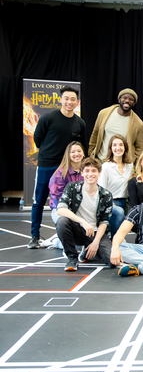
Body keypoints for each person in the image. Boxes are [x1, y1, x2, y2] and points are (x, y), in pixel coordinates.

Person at [29, 86, 87, 249]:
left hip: (68, 168)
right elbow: (37, 139)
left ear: (78, 102)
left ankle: (66, 233)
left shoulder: (79, 123)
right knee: (38, 201)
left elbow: (82, 146)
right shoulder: (48, 118)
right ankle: (34, 236)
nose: (69, 102)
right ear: (60, 100)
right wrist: (49, 155)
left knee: (70, 202)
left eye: (73, 99)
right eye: (66, 98)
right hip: (47, 165)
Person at [56, 157, 112, 271]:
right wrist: (83, 221)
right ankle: (72, 258)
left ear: (99, 173)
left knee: (111, 261)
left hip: (95, 232)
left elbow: (104, 221)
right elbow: (60, 209)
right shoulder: (72, 188)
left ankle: (87, 251)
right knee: (62, 221)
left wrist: (96, 242)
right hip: (77, 229)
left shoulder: (106, 195)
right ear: (82, 173)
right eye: (87, 171)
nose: (90, 174)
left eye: (94, 171)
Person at [41, 141, 84, 249]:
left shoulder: (87, 171)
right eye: (73, 152)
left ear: (83, 153)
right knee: (76, 246)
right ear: (68, 155)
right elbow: (58, 201)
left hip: (81, 209)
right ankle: (55, 241)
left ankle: (63, 236)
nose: (76, 154)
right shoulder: (59, 174)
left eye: (79, 151)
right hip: (61, 211)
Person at [89, 88, 143, 163]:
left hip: (122, 164)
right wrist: (91, 153)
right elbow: (95, 134)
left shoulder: (138, 123)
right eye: (124, 98)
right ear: (119, 100)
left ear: (134, 103)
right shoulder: (104, 113)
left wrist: (135, 165)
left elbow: (140, 148)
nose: (127, 100)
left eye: (131, 99)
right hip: (101, 160)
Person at [98, 134, 132, 238]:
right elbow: (101, 190)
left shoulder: (130, 166)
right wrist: (111, 204)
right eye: (115, 145)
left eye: (121, 145)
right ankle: (114, 241)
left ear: (125, 147)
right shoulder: (106, 167)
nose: (118, 148)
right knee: (119, 213)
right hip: (109, 202)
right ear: (111, 148)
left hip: (124, 202)